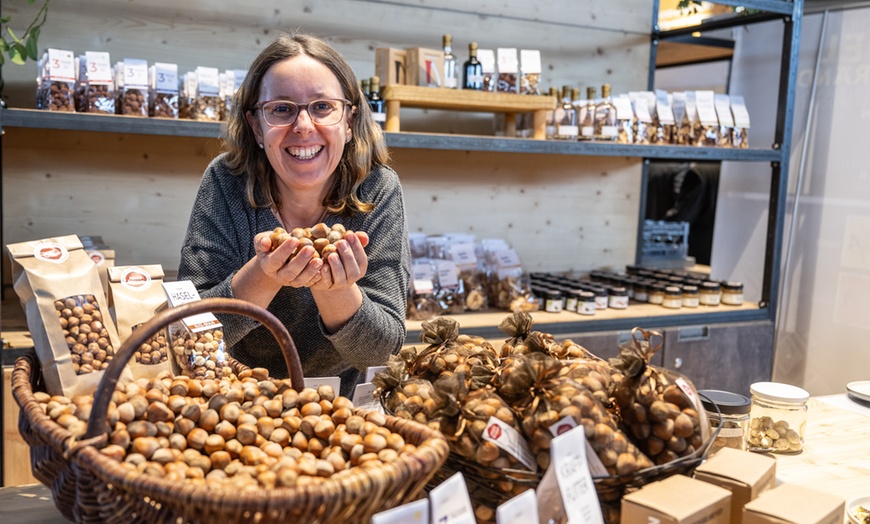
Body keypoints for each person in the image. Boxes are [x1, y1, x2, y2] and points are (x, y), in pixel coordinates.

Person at [177, 33, 410, 397]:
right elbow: (190, 335)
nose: (303, 127)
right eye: (282, 109)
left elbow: (383, 351)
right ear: (257, 126)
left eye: (322, 107)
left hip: (340, 410)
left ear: (349, 121)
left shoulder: (377, 189)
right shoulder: (225, 181)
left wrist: (336, 290)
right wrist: (265, 274)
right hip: (234, 404)